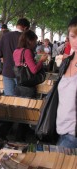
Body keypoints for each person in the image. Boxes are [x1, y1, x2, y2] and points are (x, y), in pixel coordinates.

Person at [56, 16, 77, 148]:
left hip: (73, 135)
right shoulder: (67, 61)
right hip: (60, 130)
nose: (76, 41)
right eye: (73, 36)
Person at [0, 18, 30, 96]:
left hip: (7, 70)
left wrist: (4, 57)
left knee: (9, 99)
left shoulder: (5, 36)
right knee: (21, 99)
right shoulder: (26, 38)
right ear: (25, 28)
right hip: (22, 73)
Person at [13, 30, 48, 98]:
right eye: (34, 41)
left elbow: (26, 63)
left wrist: (38, 57)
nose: (35, 43)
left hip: (18, 85)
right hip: (28, 88)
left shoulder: (16, 51)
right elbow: (34, 70)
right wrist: (41, 61)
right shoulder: (27, 51)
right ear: (29, 41)